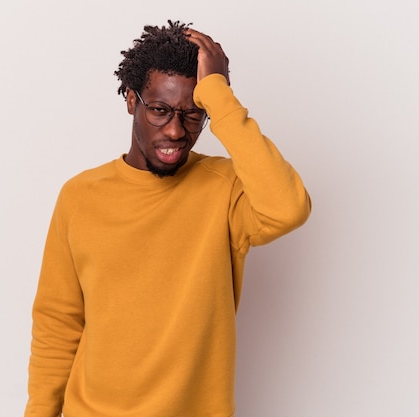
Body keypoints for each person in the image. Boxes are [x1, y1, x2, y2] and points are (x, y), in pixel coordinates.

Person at [25, 20, 311, 417]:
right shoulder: (79, 196)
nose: (176, 131)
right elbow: (58, 322)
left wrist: (220, 96)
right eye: (159, 110)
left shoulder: (224, 188)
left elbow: (288, 208)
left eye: (194, 115)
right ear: (131, 99)